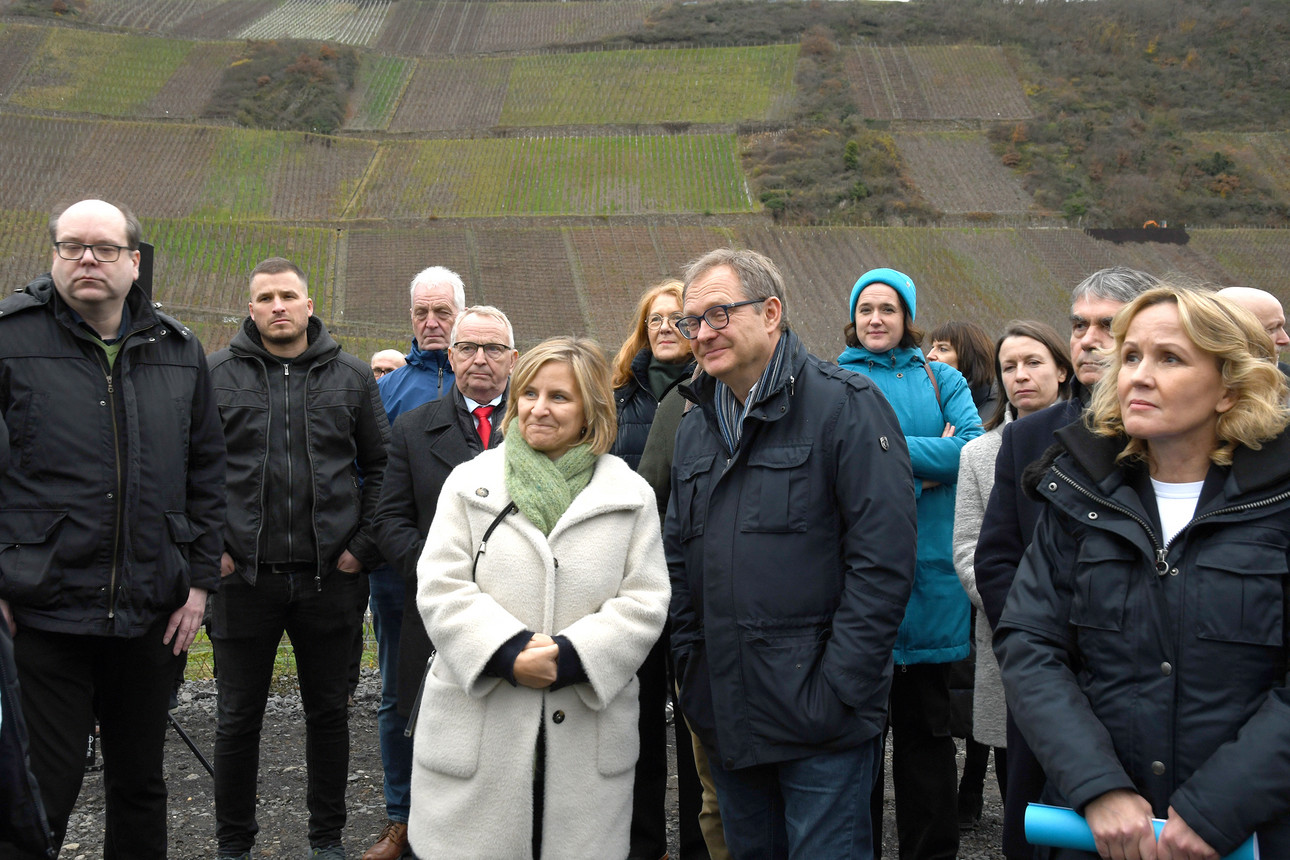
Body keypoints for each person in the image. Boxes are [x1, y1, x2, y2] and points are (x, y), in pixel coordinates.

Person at [995, 286, 1290, 859]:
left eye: (1170, 358)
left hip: (1251, 837)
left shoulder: (1279, 501)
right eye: (1131, 356)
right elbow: (1030, 644)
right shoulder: (1077, 493)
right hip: (1098, 837)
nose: (1138, 376)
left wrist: (1219, 809)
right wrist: (1098, 788)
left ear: (1230, 387)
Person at [668, 248, 917, 860]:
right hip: (727, 711)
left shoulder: (846, 406)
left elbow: (882, 561)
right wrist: (694, 672)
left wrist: (839, 689)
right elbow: (677, 558)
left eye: (718, 314)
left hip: (820, 720)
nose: (701, 334)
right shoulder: (697, 425)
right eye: (689, 321)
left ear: (771, 311)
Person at [0, 199, 227, 858]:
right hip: (43, 612)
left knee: (140, 784)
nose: (87, 259)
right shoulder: (10, 342)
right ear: (53, 257)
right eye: (72, 247)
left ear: (134, 261)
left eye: (103, 247)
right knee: (41, 788)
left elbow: (209, 476)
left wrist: (199, 585)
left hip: (152, 613)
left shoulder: (180, 352)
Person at [408, 336, 670, 859]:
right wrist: (505, 652)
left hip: (582, 732)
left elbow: (645, 600)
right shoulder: (470, 483)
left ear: (591, 410)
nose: (539, 408)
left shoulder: (631, 495)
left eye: (559, 397)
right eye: (529, 393)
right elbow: (440, 584)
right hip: (480, 730)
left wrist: (573, 658)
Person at [207, 257, 390, 860]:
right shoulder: (215, 376)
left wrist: (359, 551)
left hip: (329, 581)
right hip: (242, 580)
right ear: (251, 307)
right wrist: (217, 552)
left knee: (328, 715)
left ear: (309, 305)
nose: (279, 306)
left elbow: (382, 469)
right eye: (266, 297)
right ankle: (234, 845)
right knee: (236, 720)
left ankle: (326, 841)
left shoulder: (354, 378)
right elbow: (191, 472)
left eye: (289, 295)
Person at [974, 266, 1159, 859]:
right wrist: (1041, 644)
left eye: (1108, 324)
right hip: (1053, 692)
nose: (1087, 338)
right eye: (1079, 324)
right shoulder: (1032, 438)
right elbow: (997, 558)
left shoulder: (1180, 441)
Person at [838, 268, 981, 860]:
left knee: (928, 740)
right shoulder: (834, 377)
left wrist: (886, 451)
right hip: (857, 578)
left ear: (906, 318)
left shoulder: (939, 375)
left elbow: (969, 448)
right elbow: (834, 462)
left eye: (888, 309)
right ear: (853, 317)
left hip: (929, 577)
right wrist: (923, 459)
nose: (876, 318)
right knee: (856, 745)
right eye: (866, 308)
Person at [371, 305, 518, 857]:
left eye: (494, 349)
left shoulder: (537, 424)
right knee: (434, 735)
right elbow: (388, 518)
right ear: (450, 355)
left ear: (513, 358)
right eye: (469, 348)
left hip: (517, 611)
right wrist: (441, 577)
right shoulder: (412, 427)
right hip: (436, 615)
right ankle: (422, 836)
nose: (481, 360)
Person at [950, 321, 1074, 830]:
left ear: (1062, 370)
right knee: (1019, 789)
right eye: (1009, 367)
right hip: (1007, 635)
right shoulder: (979, 453)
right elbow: (967, 550)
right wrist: (1023, 612)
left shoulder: (1097, 443)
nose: (1020, 376)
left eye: (1033, 362)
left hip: (1087, 637)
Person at [365, 265, 466, 860]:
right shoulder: (385, 391)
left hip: (483, 577)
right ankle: (402, 817)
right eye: (422, 313)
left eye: (443, 312)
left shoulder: (487, 380)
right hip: (400, 576)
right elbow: (371, 484)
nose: (432, 324)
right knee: (396, 694)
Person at [608, 279, 702, 860]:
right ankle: (643, 844)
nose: (665, 328)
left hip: (693, 579)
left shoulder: (714, 392)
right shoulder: (618, 397)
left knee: (697, 723)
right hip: (633, 579)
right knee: (635, 722)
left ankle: (698, 843)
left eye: (677, 318)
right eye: (655, 320)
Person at [927, 320, 998, 423]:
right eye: (932, 347)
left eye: (942, 349)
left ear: (969, 356)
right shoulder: (931, 400)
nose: (929, 355)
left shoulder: (999, 411)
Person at [1216, 286, 1290, 378]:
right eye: (1271, 329)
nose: (1285, 340)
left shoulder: (1286, 381)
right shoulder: (1198, 387)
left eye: (1281, 327)